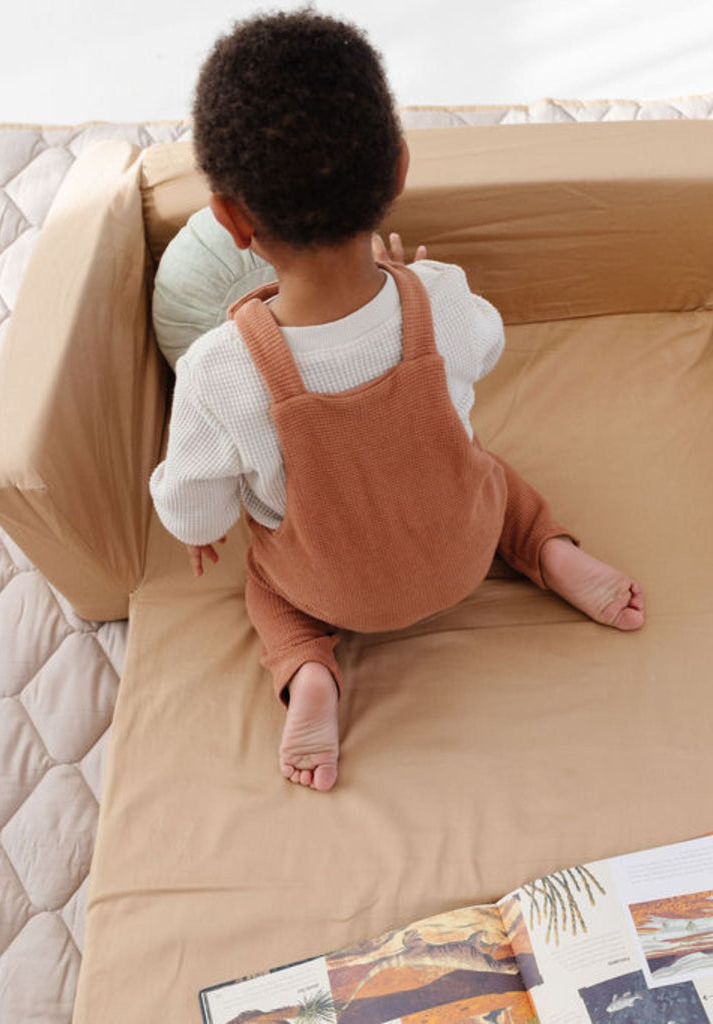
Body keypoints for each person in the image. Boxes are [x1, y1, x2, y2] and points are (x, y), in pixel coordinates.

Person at [148, 7, 644, 794]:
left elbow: (194, 514)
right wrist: (409, 280)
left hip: (333, 590)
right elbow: (485, 348)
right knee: (494, 477)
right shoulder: (439, 297)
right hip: (463, 550)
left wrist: (194, 518)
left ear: (233, 222)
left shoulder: (220, 368)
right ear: (400, 169)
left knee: (264, 583)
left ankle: (308, 670)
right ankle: (549, 550)